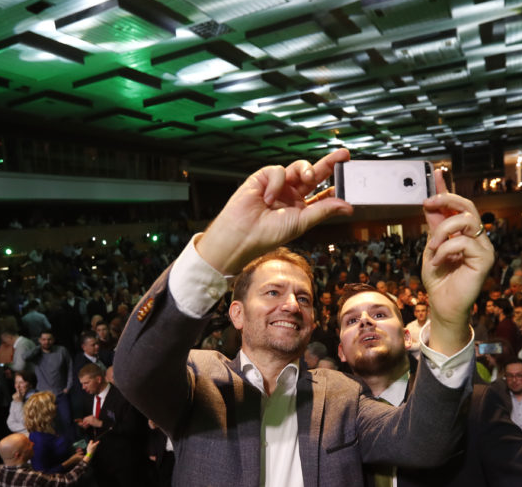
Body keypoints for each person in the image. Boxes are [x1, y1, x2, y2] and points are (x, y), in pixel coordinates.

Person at [114, 149, 495, 486]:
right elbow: (136, 370)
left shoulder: (342, 395)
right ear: (237, 313)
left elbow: (425, 443)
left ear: (312, 323)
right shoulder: (199, 380)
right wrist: (223, 243)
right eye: (273, 292)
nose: (292, 305)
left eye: (303, 298)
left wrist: (448, 317)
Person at [337, 283, 522, 486]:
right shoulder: (336, 424)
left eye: (379, 314)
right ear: (341, 351)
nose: (365, 321)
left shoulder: (474, 406)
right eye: (352, 320)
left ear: (406, 338)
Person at [77, 363, 148, 487]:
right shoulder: (87, 398)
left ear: (98, 379)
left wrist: (101, 423)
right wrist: (86, 426)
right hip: (99, 462)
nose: (83, 387)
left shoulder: (122, 398)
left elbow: (132, 428)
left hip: (121, 463)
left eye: (86, 383)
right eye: (82, 383)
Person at [0, 433, 98, 487]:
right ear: (18, 455)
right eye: (28, 444)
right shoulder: (32, 477)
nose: (33, 444)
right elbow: (68, 480)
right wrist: (88, 455)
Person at [25, 331, 75, 442]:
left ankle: (72, 447)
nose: (46, 342)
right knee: (48, 424)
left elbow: (70, 367)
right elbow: (25, 357)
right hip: (43, 396)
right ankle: (56, 449)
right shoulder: (37, 354)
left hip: (61, 393)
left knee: (67, 421)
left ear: (53, 340)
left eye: (49, 339)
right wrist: (38, 348)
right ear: (39, 340)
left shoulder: (61, 350)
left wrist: (68, 386)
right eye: (43, 339)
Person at [23, 391, 81, 474]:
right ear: (45, 410)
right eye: (54, 404)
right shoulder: (39, 440)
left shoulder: (52, 424)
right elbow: (42, 474)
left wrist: (72, 450)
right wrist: (71, 461)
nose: (56, 406)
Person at [6, 370, 37, 436]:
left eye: (21, 382)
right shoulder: (17, 398)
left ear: (30, 384)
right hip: (22, 435)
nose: (17, 386)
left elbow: (27, 423)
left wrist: (18, 403)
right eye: (16, 382)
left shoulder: (36, 399)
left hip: (34, 436)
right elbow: (10, 423)